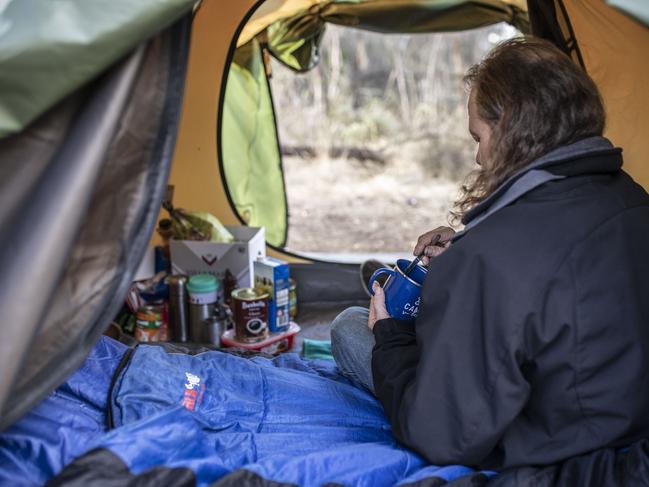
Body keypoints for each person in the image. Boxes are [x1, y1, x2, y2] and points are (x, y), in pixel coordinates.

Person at [330, 36, 649, 480]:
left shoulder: (490, 258)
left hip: (553, 449)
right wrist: (464, 250)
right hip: (620, 419)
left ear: (513, 132)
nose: (478, 156)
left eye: (478, 136)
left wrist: (391, 335)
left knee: (350, 326)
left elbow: (440, 433)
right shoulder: (631, 197)